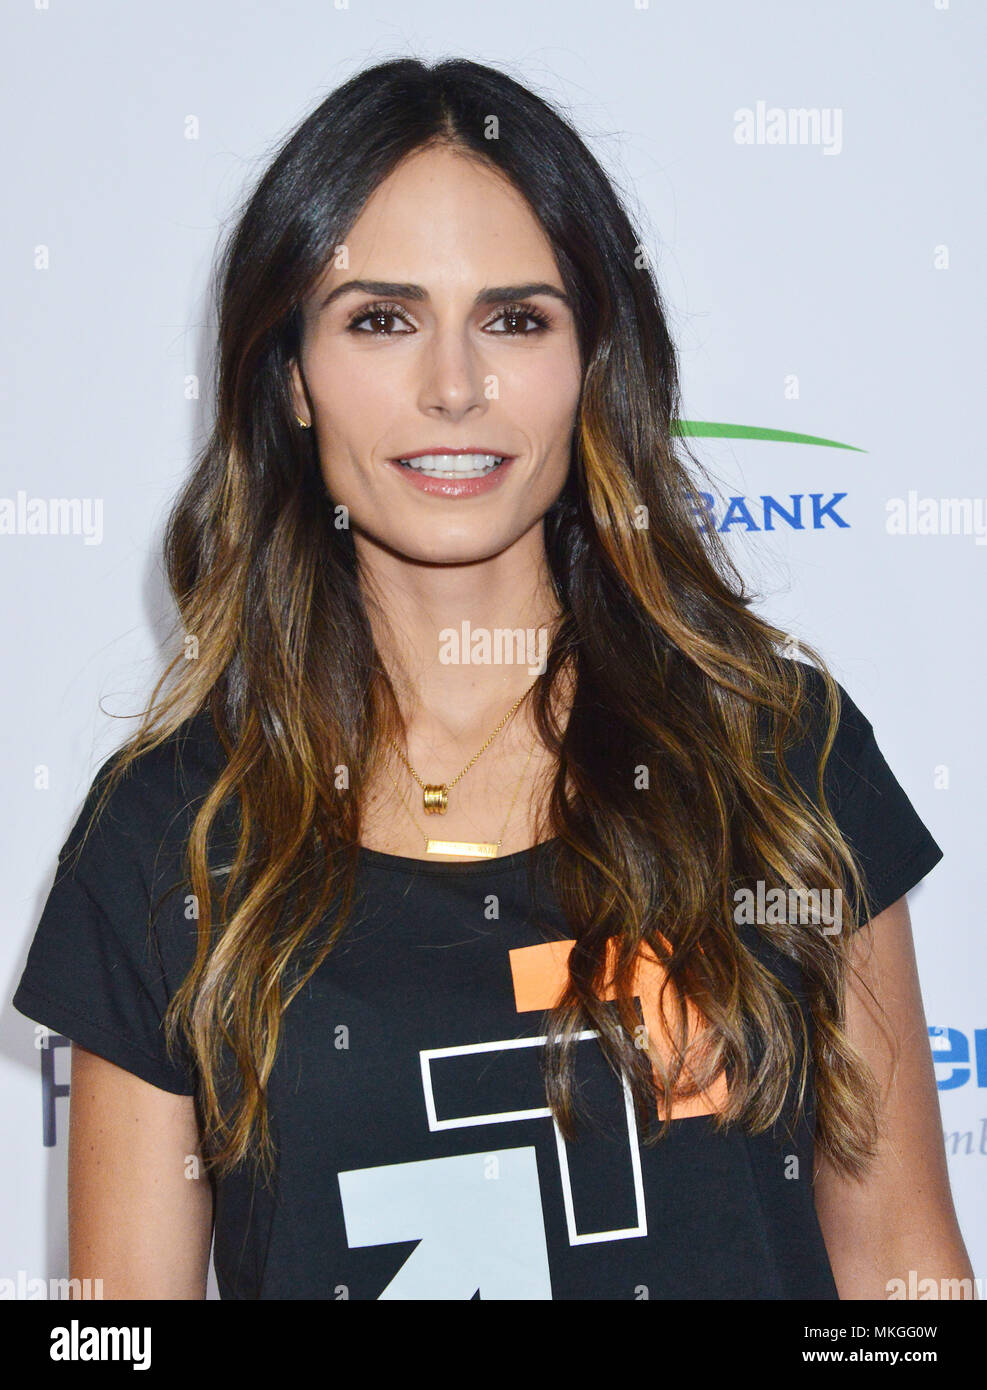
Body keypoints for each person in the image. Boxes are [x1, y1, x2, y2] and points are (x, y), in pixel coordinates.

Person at [12, 57, 973, 1300]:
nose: (454, 386)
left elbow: (903, 1270)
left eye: (516, 318)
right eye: (380, 318)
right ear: (291, 377)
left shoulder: (776, 761)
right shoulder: (170, 836)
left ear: (591, 364)